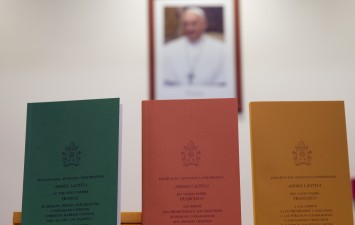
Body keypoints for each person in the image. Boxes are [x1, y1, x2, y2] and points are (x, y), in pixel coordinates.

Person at [164, 7, 226, 86]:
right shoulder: (168, 49)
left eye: (194, 24)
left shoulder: (221, 49)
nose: (189, 28)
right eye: (186, 24)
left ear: (204, 24)